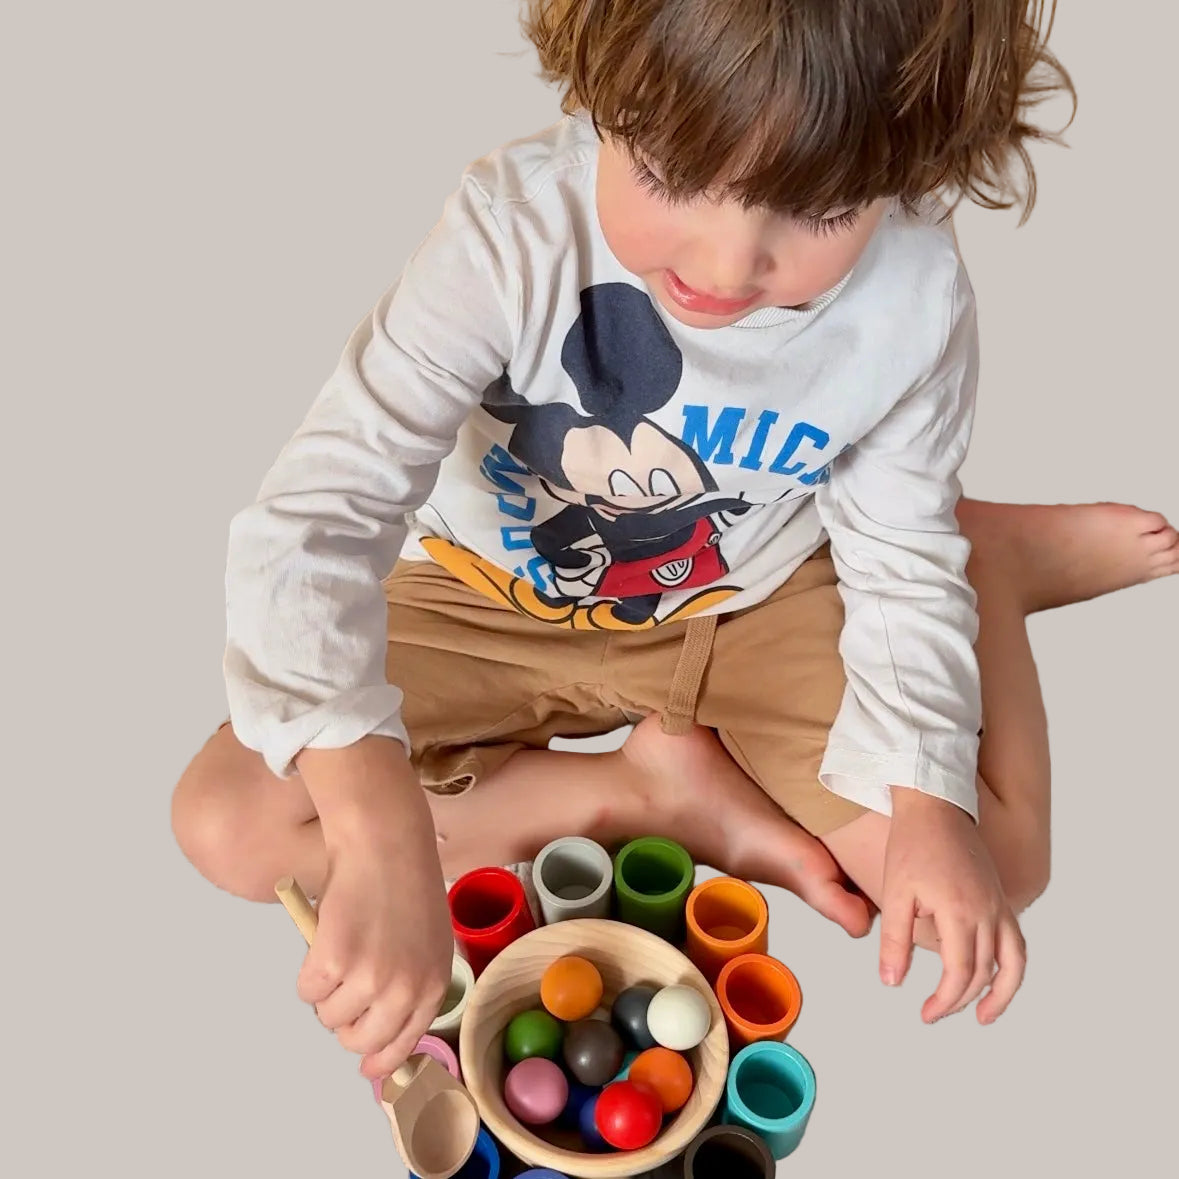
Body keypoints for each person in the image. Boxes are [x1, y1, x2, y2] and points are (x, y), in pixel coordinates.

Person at [172, 0, 1177, 1089]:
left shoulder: (914, 293)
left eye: (821, 208)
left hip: (750, 601)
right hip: (484, 600)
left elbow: (897, 546)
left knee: (987, 876)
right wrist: (378, 832)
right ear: (600, 84)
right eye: (667, 173)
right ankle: (645, 792)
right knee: (227, 822)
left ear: (917, 157)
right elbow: (314, 521)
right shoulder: (511, 234)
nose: (728, 262)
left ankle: (996, 565)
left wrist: (931, 806)